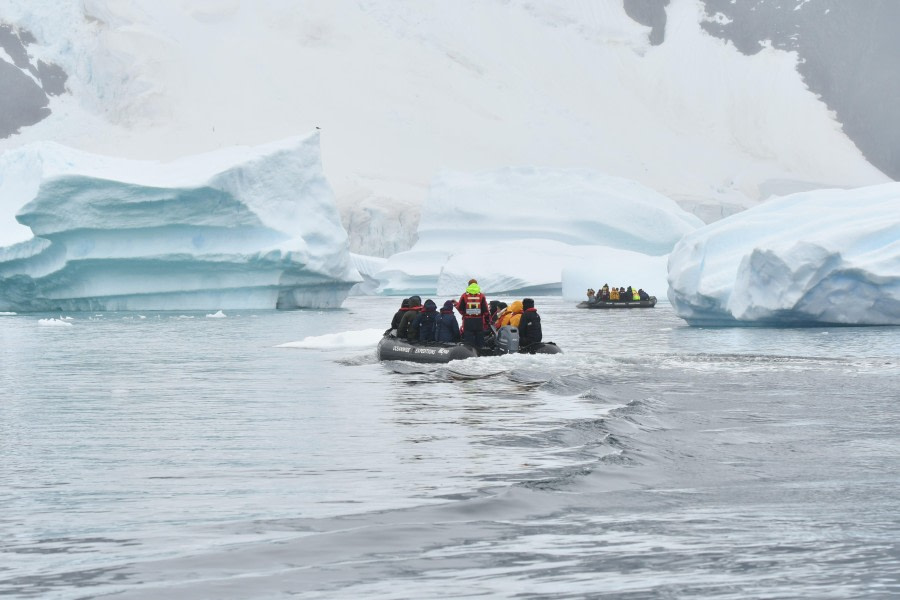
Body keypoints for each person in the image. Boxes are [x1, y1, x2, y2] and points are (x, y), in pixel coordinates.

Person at [456, 279, 490, 348]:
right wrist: (486, 318)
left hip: (468, 321)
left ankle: (469, 353)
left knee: (468, 339)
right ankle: (481, 353)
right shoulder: (481, 296)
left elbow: (459, 307)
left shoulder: (464, 295)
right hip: (479, 320)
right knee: (480, 337)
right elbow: (485, 309)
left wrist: (464, 314)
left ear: (469, 285)